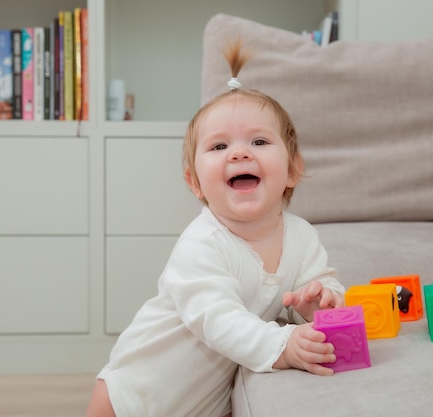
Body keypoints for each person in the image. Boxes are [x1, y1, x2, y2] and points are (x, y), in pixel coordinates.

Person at [85, 38, 345, 417]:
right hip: (135, 395)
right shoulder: (201, 244)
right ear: (194, 183)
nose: (239, 153)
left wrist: (319, 302)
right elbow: (219, 319)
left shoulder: (302, 235)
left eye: (258, 140)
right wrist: (284, 345)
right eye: (219, 147)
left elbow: (325, 281)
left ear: (292, 169)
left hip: (205, 403)